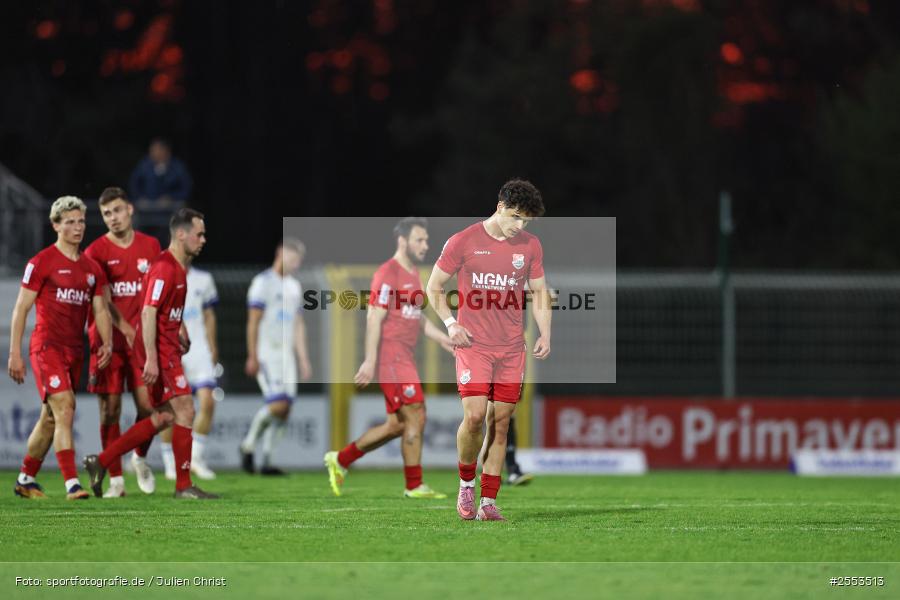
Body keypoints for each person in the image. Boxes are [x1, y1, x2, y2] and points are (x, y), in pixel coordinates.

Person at [426, 179, 551, 521]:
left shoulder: (530, 246)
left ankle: (488, 502)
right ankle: (466, 484)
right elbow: (434, 287)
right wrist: (451, 324)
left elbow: (540, 292)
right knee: (475, 416)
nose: (519, 226)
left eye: (526, 221)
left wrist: (545, 332)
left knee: (501, 423)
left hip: (512, 349)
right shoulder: (463, 241)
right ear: (499, 207)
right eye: (514, 217)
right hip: (474, 346)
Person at [83, 208, 218, 499]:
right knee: (185, 410)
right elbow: (147, 312)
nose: (203, 239)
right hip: (159, 353)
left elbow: (163, 312)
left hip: (167, 349)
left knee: (165, 416)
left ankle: (102, 461)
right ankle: (183, 485)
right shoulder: (165, 267)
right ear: (181, 234)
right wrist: (153, 360)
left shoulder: (176, 268)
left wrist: (179, 330)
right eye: (199, 233)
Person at [324, 218, 455, 498]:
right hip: (391, 356)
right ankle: (414, 485)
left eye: (427, 240)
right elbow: (374, 316)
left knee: (396, 425)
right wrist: (370, 360)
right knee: (417, 413)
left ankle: (340, 459)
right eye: (419, 240)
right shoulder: (388, 272)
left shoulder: (413, 274)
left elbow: (416, 317)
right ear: (402, 241)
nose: (426, 245)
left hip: (404, 356)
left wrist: (442, 337)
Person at [10, 196, 112, 500]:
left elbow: (102, 310)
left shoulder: (92, 268)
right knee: (66, 406)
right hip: (46, 347)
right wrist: (15, 352)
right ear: (56, 225)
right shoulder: (41, 262)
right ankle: (72, 484)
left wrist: (105, 343)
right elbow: (21, 308)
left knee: (51, 418)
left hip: (74, 350)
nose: (77, 227)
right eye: (70, 222)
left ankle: (26, 479)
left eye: (81, 221)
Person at [84, 187, 162, 497]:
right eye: (106, 214)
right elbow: (101, 299)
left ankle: (139, 458)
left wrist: (175, 328)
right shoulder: (96, 252)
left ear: (129, 209)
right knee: (110, 410)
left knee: (148, 406)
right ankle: (115, 479)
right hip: (107, 341)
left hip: (142, 341)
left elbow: (160, 290)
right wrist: (124, 328)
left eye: (117, 210)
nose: (113, 218)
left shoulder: (151, 245)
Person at [239, 239, 312, 475]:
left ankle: (268, 460)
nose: (296, 263)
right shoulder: (262, 283)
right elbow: (253, 321)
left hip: (286, 355)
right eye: (293, 258)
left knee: (286, 409)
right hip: (267, 353)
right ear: (280, 253)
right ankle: (247, 445)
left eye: (299, 260)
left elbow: (298, 324)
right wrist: (252, 354)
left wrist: (303, 358)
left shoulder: (294, 286)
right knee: (278, 404)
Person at [160, 265, 220, 480]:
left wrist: (213, 346)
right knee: (171, 408)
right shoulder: (161, 274)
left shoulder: (204, 278)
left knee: (208, 402)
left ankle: (195, 458)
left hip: (199, 350)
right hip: (172, 350)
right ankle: (169, 463)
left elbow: (209, 315)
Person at [129, 138, 192, 208]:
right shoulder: (144, 165)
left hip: (171, 207)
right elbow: (134, 184)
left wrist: (172, 197)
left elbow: (186, 187)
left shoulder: (177, 167)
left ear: (165, 151)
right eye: (152, 150)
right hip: (147, 206)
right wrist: (140, 197)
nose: (153, 153)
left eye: (156, 150)